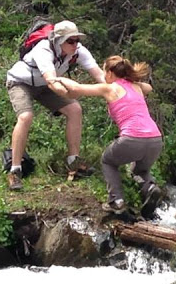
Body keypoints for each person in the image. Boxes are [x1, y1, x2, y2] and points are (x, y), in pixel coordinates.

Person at [58, 55, 163, 219]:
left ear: (110, 73)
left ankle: (116, 201)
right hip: (155, 139)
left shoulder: (110, 88)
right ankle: (150, 188)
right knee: (140, 170)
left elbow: (77, 89)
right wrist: (132, 80)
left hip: (132, 138)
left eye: (104, 70)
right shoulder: (136, 87)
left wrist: (57, 78)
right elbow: (148, 87)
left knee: (108, 160)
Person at [5, 20, 105, 190]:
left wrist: (116, 91)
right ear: (58, 40)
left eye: (77, 40)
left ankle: (74, 161)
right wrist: (73, 92)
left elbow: (99, 75)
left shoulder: (78, 51)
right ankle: (15, 171)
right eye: (70, 41)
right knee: (25, 116)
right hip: (21, 82)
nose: (75, 44)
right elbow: (52, 82)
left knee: (75, 109)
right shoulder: (43, 49)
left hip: (43, 85)